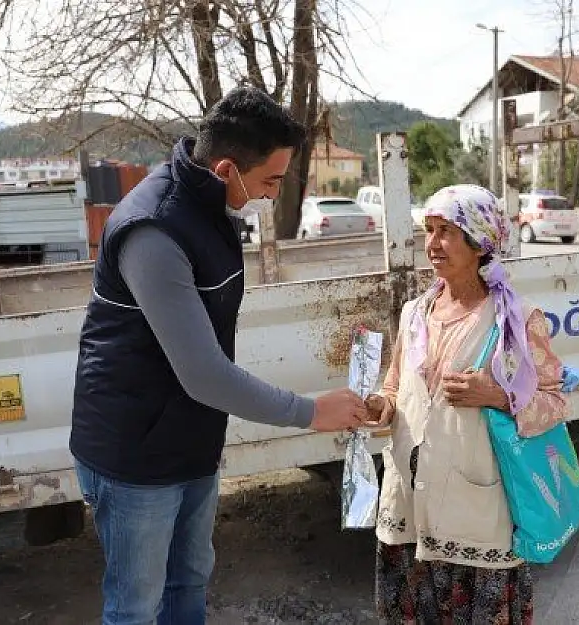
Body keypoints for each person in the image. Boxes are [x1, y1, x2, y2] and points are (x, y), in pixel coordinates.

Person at [70, 86, 368, 625]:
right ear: (228, 168)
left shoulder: (207, 207)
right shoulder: (154, 229)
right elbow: (204, 374)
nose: (274, 195)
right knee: (136, 605)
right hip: (134, 455)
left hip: (191, 443)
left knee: (189, 583)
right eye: (270, 181)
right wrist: (310, 411)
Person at [364, 184, 570, 624]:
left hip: (476, 510)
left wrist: (495, 396)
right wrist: (383, 404)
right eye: (429, 230)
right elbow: (397, 384)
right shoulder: (414, 313)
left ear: (478, 243)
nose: (433, 244)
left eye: (446, 232)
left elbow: (554, 401)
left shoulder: (514, 321)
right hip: (409, 503)